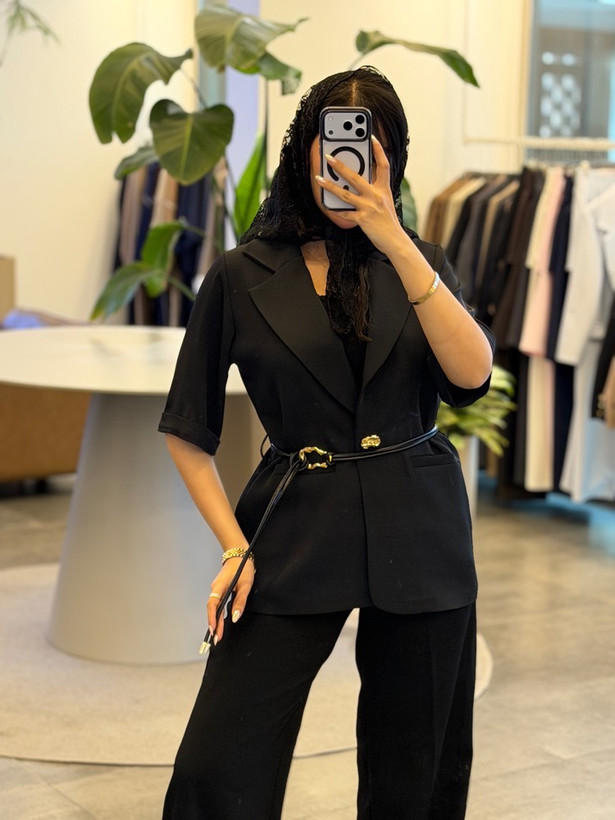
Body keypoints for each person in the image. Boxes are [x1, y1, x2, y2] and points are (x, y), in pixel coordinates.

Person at [158, 66, 494, 820]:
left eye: (370, 147)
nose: (348, 163)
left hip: (420, 525)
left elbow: (471, 377)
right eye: (333, 143)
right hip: (295, 523)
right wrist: (232, 546)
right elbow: (186, 430)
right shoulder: (242, 275)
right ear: (304, 150)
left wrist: (394, 240)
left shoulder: (422, 263)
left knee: (417, 769)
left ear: (393, 158)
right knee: (220, 760)